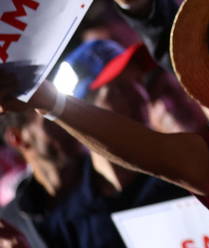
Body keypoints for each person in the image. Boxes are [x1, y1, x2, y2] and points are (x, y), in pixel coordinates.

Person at [0, 40, 189, 248]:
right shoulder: (69, 217)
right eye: (117, 91)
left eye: (138, 83)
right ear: (80, 110)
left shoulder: (184, 175)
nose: (139, 97)